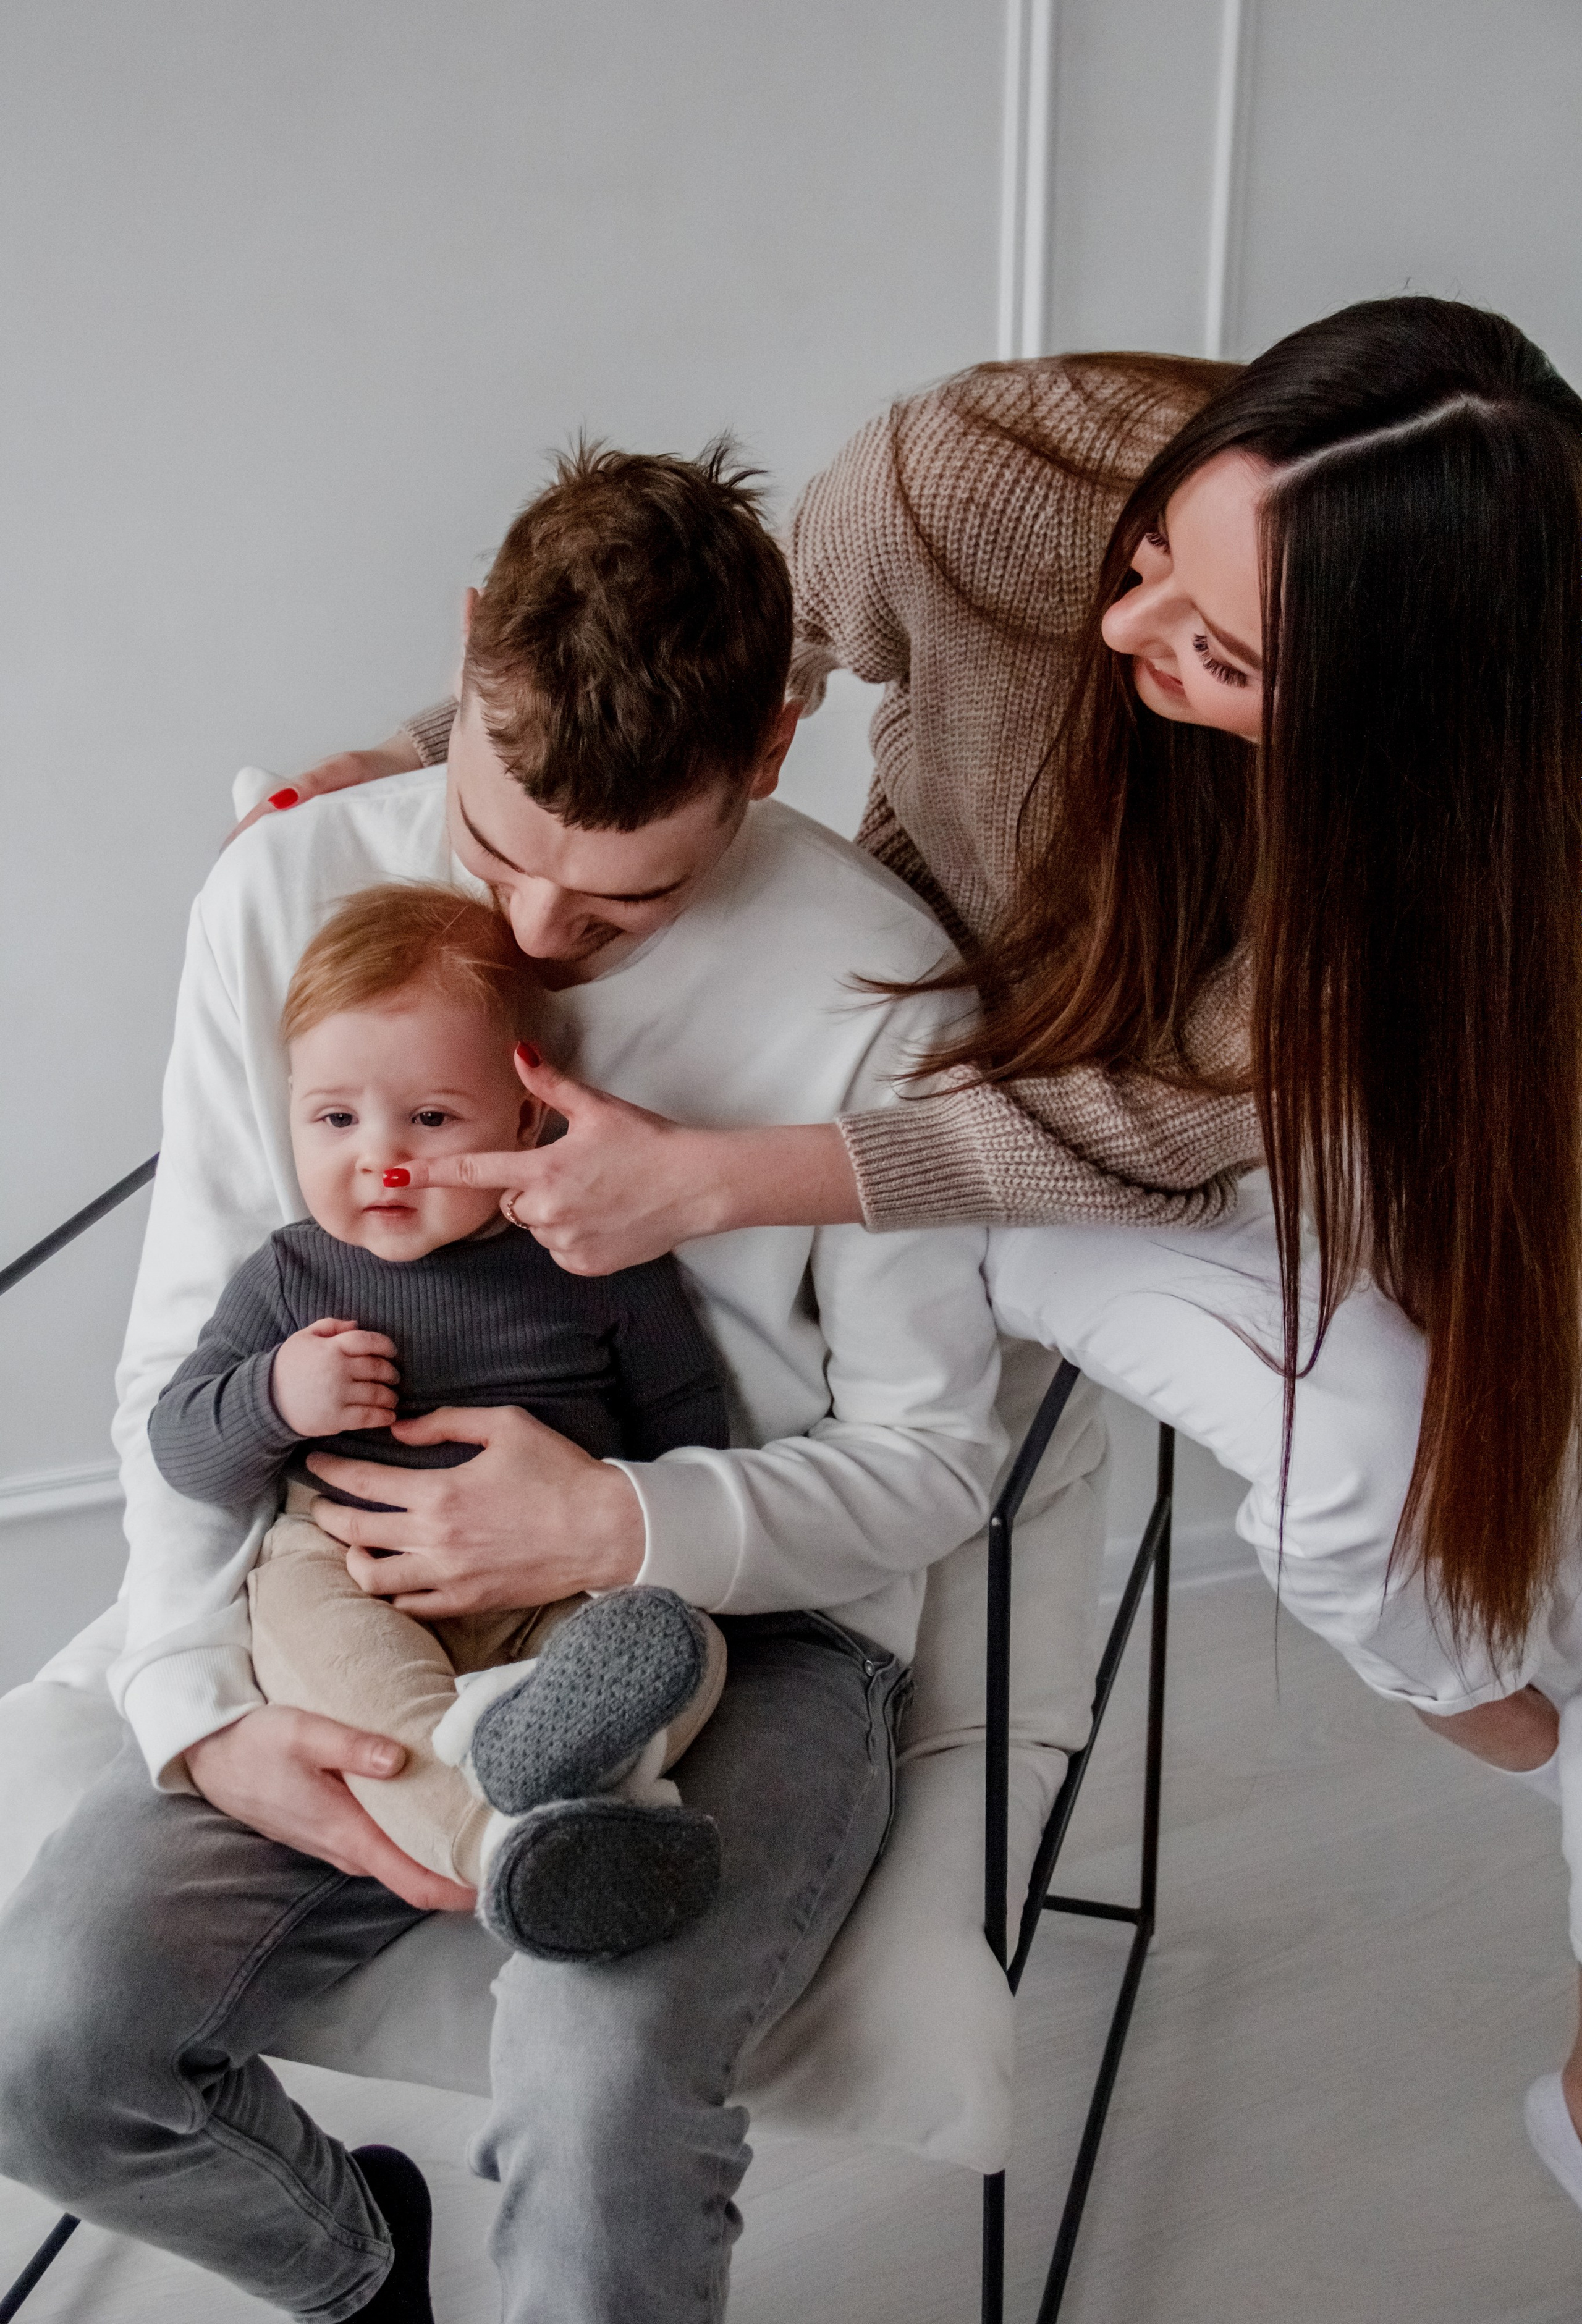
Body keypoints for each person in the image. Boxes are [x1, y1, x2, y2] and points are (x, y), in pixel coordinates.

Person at [261, 298, 1582, 2200]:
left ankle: (1545, 1748)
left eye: (1220, 650)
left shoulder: (1448, 829)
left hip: (1183, 1116)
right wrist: (391, 767)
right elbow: (728, 669)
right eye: (1149, 564)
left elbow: (1175, 1126)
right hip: (963, 1083)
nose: (1134, 636)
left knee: (1422, 1447)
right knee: (1368, 1459)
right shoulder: (978, 476)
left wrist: (722, 1183)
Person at [0, 442, 1017, 2324]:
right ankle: (359, 2269)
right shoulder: (284, 889)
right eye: (497, 847)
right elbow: (186, 1347)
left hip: (748, 1626)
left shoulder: (880, 990)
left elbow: (938, 1460)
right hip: (344, 1580)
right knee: (44, 2044)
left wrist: (617, 1516)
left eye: (622, 908)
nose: (536, 941)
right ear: (471, 657)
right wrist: (189, 1700)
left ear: (771, 751)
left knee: (605, 2079)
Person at [148, 880, 733, 1959]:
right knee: (362, 1709)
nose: (381, 1155)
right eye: (334, 1118)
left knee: (684, 1644)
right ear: (289, 1113)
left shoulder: (589, 1255)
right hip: (349, 1570)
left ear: (524, 1120)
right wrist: (275, 1394)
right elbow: (182, 1447)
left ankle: (544, 1762)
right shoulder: (291, 1274)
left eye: (429, 1117)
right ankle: (507, 1847)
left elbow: (688, 1418)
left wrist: (628, 1521)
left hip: (561, 1583)